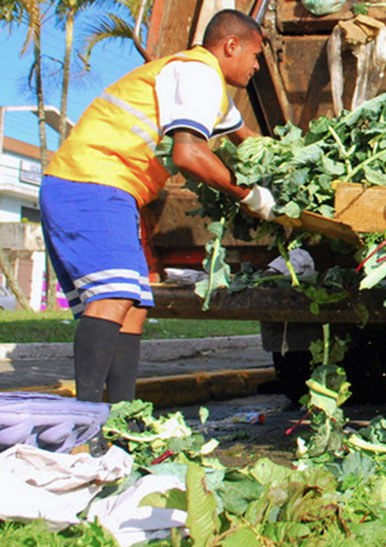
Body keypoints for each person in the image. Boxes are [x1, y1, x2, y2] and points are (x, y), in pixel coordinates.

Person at [39, 9, 277, 405]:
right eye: (255, 55)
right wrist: (248, 194)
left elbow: (247, 138)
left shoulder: (206, 83)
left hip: (112, 190)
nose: (257, 66)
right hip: (92, 182)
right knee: (112, 299)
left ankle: (124, 417)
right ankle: (84, 422)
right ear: (231, 46)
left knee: (133, 306)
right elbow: (188, 154)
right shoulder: (198, 74)